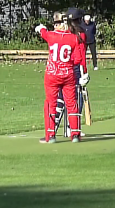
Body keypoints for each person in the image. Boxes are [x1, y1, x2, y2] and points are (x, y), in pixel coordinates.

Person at [35, 8, 90, 143]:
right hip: (68, 74)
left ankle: (51, 135)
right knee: (72, 104)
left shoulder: (51, 35)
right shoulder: (73, 38)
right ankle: (75, 134)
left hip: (52, 75)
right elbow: (78, 58)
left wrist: (40, 28)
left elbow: (43, 33)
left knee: (50, 104)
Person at [55, 9, 88, 137]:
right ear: (79, 20)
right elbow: (81, 55)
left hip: (62, 67)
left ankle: (54, 128)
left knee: (61, 98)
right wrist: (84, 72)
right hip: (75, 68)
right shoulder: (80, 34)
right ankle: (71, 127)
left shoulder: (63, 33)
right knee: (76, 99)